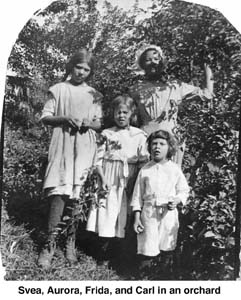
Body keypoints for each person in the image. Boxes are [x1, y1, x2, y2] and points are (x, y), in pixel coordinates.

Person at [37, 49, 103, 269]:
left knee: (77, 196)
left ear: (90, 72)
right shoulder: (59, 90)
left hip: (84, 147)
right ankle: (49, 245)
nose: (81, 72)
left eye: (86, 69)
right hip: (63, 144)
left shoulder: (94, 94)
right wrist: (64, 118)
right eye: (78, 67)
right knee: (59, 193)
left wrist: (87, 123)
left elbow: (99, 123)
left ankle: (70, 244)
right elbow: (45, 117)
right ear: (71, 66)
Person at [86, 94, 149, 261]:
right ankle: (101, 253)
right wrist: (102, 179)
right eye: (118, 112)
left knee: (125, 213)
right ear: (113, 114)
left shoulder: (139, 135)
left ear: (132, 114)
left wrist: (136, 182)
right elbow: (97, 160)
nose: (121, 116)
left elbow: (143, 162)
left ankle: (119, 254)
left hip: (129, 178)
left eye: (125, 112)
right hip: (109, 177)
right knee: (107, 211)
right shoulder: (107, 134)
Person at [129, 44, 214, 166]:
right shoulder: (135, 89)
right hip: (146, 140)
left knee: (170, 179)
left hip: (171, 140)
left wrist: (207, 66)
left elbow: (207, 94)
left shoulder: (175, 87)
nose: (153, 62)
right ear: (142, 65)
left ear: (162, 62)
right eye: (148, 60)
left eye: (156, 59)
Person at [131, 129, 189, 278]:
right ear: (149, 147)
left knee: (167, 245)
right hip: (149, 213)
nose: (157, 147)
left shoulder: (174, 169)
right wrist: (137, 218)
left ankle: (163, 278)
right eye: (154, 144)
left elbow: (183, 190)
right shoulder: (145, 170)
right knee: (147, 245)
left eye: (162, 144)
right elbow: (137, 197)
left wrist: (176, 201)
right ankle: (145, 278)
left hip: (168, 214)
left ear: (169, 147)